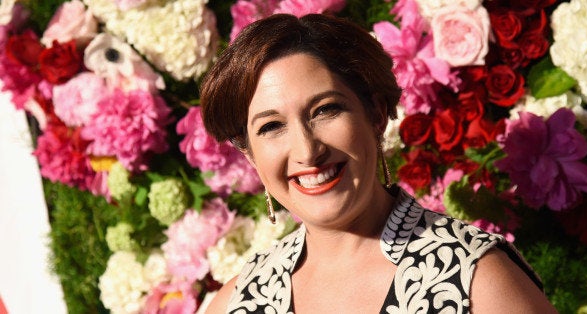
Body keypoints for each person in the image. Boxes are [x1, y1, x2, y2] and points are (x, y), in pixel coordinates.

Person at [200, 13, 557, 313]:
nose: (307, 151)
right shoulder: (238, 301)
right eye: (271, 126)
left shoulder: (476, 279)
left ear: (376, 114)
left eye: (325, 110)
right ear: (249, 154)